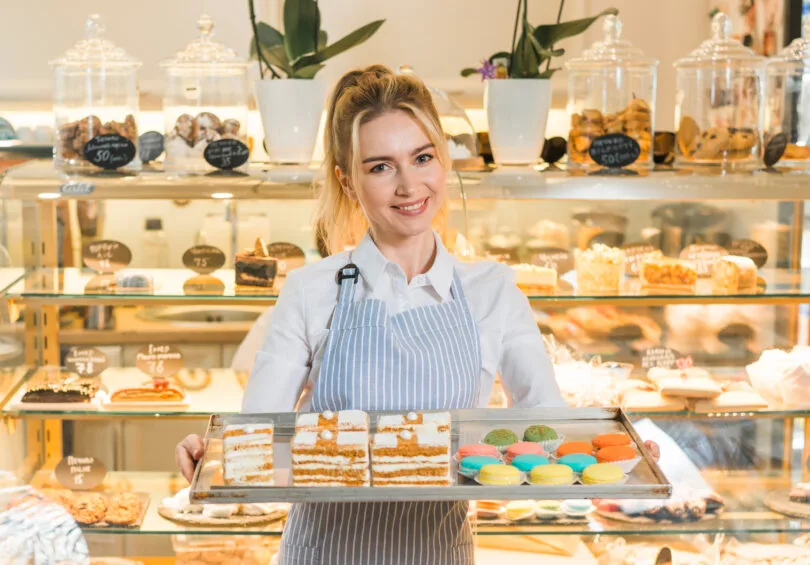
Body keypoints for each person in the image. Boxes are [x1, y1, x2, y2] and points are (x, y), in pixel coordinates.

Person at [176, 65, 658, 564]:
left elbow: (546, 424)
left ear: (442, 162)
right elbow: (260, 433)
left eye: (422, 158)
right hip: (322, 553)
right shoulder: (309, 290)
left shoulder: (493, 290)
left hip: (438, 552)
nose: (409, 186)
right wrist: (213, 452)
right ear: (347, 181)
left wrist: (619, 455)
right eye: (380, 166)